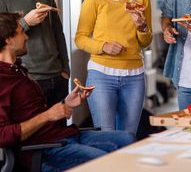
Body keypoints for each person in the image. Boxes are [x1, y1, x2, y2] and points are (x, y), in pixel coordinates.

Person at [0, 12, 135, 171]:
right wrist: (48, 115)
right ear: (8, 39)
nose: (27, 37)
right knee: (107, 164)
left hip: (62, 136)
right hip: (47, 150)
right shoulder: (3, 78)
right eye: (21, 32)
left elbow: (32, 112)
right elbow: (3, 135)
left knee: (128, 139)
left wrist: (65, 103)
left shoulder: (17, 70)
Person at [75, 0, 152, 134]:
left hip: (134, 77)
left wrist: (141, 26)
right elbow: (80, 38)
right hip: (101, 75)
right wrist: (103, 47)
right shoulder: (93, 0)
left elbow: (145, 41)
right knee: (106, 134)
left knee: (128, 136)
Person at [0, 0, 70, 107]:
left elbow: (57, 32)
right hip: (29, 78)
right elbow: (1, 39)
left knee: (59, 130)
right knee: (37, 130)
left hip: (58, 76)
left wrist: (65, 69)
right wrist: (26, 22)